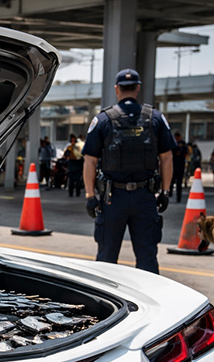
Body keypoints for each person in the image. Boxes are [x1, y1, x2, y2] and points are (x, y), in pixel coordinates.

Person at [82, 68, 176, 274]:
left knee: (106, 259)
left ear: (117, 89)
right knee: (147, 258)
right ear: (138, 88)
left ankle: (104, 304)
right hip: (145, 196)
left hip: (112, 198)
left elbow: (90, 161)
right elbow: (167, 158)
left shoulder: (103, 119)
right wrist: (166, 191)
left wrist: (90, 195)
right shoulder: (156, 118)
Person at [170, 131, 188, 203]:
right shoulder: (172, 143)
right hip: (173, 165)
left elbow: (185, 153)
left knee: (179, 183)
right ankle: (170, 193)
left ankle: (178, 197)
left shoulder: (183, 144)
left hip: (180, 166)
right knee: (171, 181)